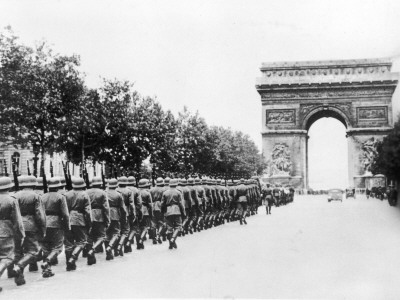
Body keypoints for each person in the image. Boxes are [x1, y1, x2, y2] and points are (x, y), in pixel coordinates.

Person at [13, 175, 46, 286]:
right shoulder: (36, 196)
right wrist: (42, 227)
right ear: (33, 184)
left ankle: (19, 276)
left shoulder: (14, 196)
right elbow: (39, 215)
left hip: (16, 225)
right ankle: (20, 266)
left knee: (17, 251)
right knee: (33, 251)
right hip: (30, 225)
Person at [40, 177, 70, 277]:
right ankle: (48, 261)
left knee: (45, 247)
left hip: (44, 223)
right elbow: (65, 214)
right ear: (58, 187)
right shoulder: (61, 197)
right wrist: (66, 226)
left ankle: (47, 270)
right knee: (57, 247)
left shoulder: (42, 197)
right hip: (56, 224)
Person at [0, 177, 24, 292]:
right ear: (9, 186)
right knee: (8, 257)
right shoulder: (11, 200)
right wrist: (21, 234)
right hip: (5, 231)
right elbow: (17, 220)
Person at [64, 177, 92, 271]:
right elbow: (87, 211)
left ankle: (69, 264)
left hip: (68, 219)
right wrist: (89, 223)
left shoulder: (67, 194)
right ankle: (73, 258)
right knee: (82, 241)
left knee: (68, 243)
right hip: (80, 219)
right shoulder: (84, 194)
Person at [86, 177, 110, 264]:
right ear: (100, 184)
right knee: (102, 236)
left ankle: (91, 258)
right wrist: (107, 219)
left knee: (89, 236)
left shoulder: (86, 192)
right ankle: (92, 250)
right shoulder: (102, 193)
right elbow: (106, 207)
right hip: (99, 215)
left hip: (88, 215)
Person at [105, 178, 127, 260]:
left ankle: (109, 254)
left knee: (107, 233)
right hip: (115, 215)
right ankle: (110, 248)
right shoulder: (118, 194)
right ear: (116, 185)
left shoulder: (104, 193)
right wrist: (124, 218)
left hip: (105, 215)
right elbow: (122, 208)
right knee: (116, 233)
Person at [161, 178, 186, 249]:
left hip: (168, 211)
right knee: (178, 226)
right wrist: (183, 212)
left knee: (169, 228)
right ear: (176, 184)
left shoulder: (165, 192)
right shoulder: (178, 192)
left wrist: (162, 211)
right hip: (177, 210)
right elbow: (181, 203)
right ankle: (173, 239)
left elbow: (162, 204)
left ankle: (171, 243)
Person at [115, 176, 134, 255]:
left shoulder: (115, 190)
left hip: (116, 212)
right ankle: (126, 247)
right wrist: (133, 213)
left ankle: (117, 248)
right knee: (126, 230)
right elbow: (131, 204)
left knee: (117, 230)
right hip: (126, 211)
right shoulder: (129, 191)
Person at [150, 177, 167, 244]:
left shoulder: (151, 189)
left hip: (153, 206)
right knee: (162, 222)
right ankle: (159, 235)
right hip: (161, 206)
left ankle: (154, 238)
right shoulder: (164, 190)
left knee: (153, 223)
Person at [137, 179, 153, 249]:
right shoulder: (147, 193)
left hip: (137, 210)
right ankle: (141, 239)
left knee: (138, 227)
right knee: (145, 227)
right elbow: (150, 205)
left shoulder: (136, 192)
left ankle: (138, 242)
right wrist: (151, 213)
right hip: (145, 210)